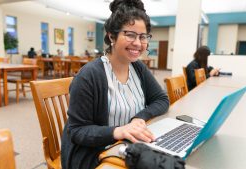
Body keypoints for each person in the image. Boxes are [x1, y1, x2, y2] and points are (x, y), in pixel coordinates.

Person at [61, 0, 169, 168]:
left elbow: (161, 99)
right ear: (112, 36)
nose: (138, 43)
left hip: (126, 146)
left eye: (143, 37)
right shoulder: (89, 75)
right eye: (130, 35)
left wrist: (139, 118)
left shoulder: (138, 68)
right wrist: (118, 131)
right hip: (94, 155)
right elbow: (77, 131)